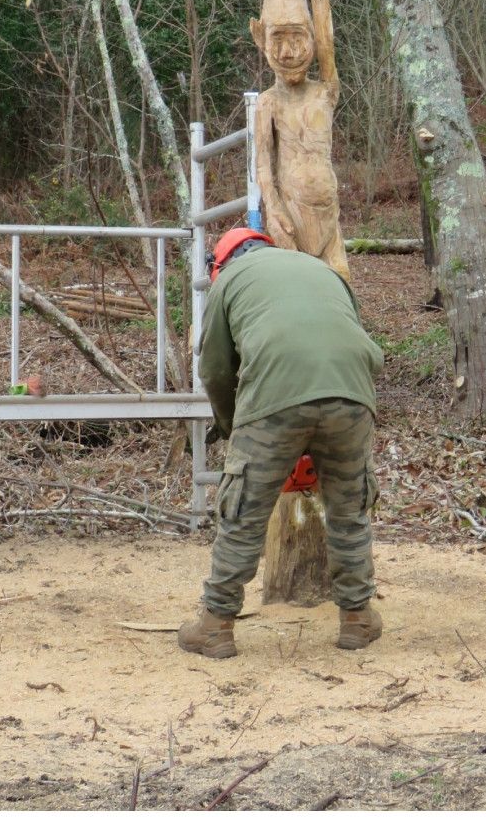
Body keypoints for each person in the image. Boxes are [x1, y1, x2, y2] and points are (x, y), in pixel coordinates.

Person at [178, 228, 385, 659]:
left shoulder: (229, 281)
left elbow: (215, 370)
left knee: (242, 514)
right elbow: (350, 339)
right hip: (353, 392)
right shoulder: (321, 270)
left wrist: (235, 428)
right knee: (349, 510)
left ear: (221, 263)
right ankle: (357, 619)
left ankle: (215, 626)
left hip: (274, 396)